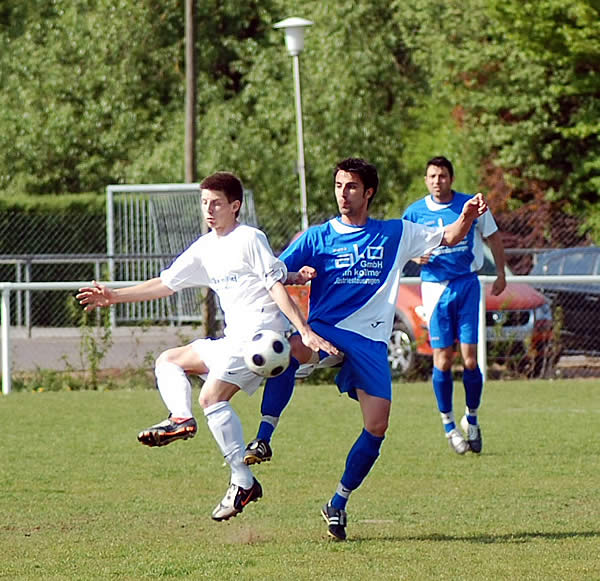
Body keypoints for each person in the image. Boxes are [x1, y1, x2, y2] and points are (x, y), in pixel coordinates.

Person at [243, 157, 488, 540]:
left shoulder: (395, 233)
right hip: (325, 331)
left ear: (368, 192)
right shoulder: (317, 237)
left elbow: (450, 236)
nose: (343, 193)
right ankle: (263, 437)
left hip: (371, 342)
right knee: (289, 351)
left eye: (352, 186)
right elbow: (272, 275)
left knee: (377, 426)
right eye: (339, 185)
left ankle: (337, 503)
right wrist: (293, 279)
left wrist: (468, 216)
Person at [76, 171, 338, 523]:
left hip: (260, 339)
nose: (209, 210)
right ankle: (182, 420)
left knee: (211, 398)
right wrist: (114, 296)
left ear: (235, 206)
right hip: (233, 340)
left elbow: (273, 285)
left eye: (216, 203)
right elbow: (167, 283)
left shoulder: (250, 237)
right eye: (204, 203)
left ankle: (242, 480)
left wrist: (303, 330)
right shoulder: (205, 247)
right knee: (169, 361)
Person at [402, 156, 506, 455]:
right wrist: (414, 256)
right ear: (426, 180)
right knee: (443, 360)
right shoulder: (415, 212)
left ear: (451, 178)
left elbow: (494, 237)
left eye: (443, 176)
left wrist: (501, 273)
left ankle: (471, 419)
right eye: (433, 176)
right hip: (435, 289)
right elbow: (401, 245)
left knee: (470, 360)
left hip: (467, 284)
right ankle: (448, 425)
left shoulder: (470, 205)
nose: (438, 181)